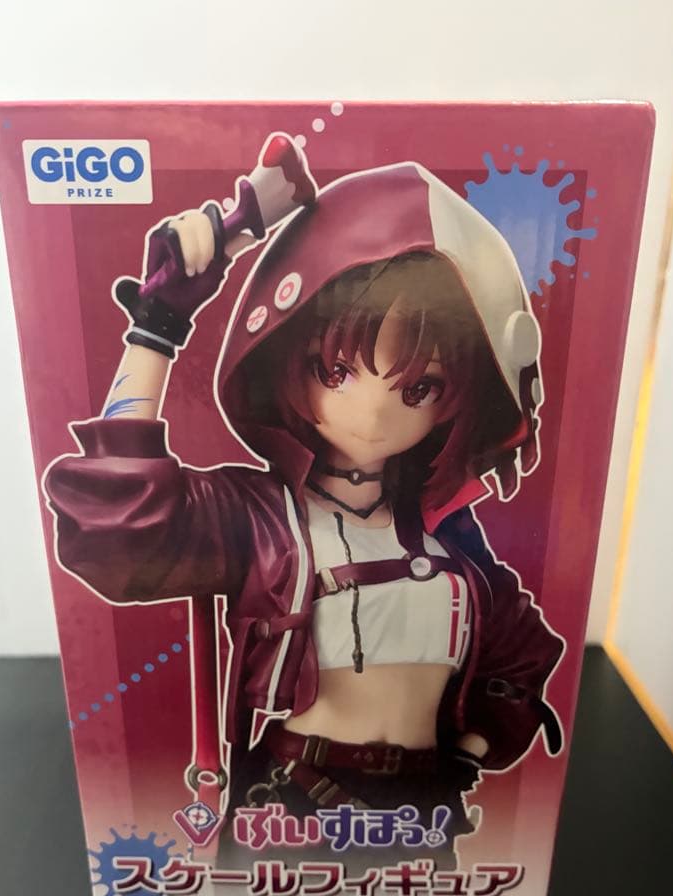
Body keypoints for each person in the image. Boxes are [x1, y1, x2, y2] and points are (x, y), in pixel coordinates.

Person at [44, 159, 565, 860]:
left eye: (421, 387)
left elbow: (520, 646)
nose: (373, 413)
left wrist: (470, 749)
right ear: (287, 359)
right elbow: (120, 529)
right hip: (294, 805)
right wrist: (157, 328)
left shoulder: (447, 534)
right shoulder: (259, 519)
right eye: (337, 371)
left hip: (424, 811)